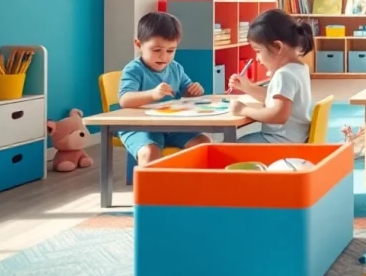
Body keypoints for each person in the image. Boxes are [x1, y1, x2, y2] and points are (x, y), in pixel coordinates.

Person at [118, 12, 209, 165]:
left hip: (171, 125)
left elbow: (185, 93)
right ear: (139, 45)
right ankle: (151, 189)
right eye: (156, 50)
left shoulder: (175, 68)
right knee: (149, 152)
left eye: (170, 51)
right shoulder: (134, 69)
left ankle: (196, 186)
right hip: (139, 127)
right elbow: (125, 100)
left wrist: (193, 91)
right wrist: (152, 94)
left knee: (204, 144)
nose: (164, 57)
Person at [228, 9, 315, 143]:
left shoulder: (284, 74)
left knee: (229, 147)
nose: (257, 58)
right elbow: (275, 99)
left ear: (277, 47)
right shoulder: (300, 68)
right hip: (294, 140)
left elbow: (278, 115)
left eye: (258, 51)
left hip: (279, 142)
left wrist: (244, 110)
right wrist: (247, 87)